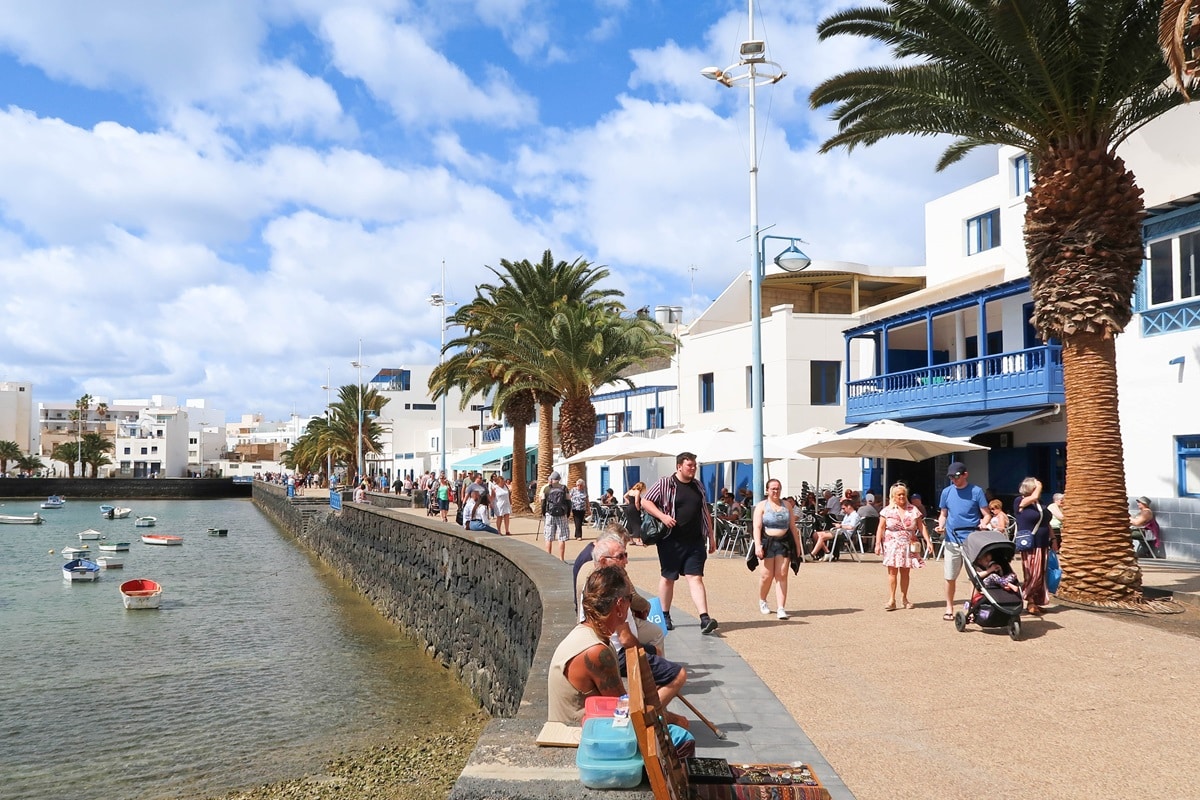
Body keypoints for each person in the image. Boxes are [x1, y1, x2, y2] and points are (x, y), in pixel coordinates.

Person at [640, 452, 719, 635]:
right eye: (689, 465)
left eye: (694, 465)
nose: (693, 469)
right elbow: (645, 501)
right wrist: (663, 516)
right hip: (671, 541)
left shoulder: (698, 486)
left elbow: (704, 511)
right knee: (668, 578)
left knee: (696, 577)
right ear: (679, 466)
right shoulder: (665, 483)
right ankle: (665, 614)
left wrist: (711, 536)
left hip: (694, 540)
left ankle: (704, 618)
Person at [935, 462, 991, 621]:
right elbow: (943, 514)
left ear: (965, 474)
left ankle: (974, 607)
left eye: (956, 476)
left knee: (975, 576)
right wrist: (940, 526)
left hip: (972, 540)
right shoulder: (946, 492)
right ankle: (949, 607)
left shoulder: (976, 491)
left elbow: (986, 514)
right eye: (951, 477)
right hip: (952, 539)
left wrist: (984, 523)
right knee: (950, 576)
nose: (954, 479)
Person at [875, 483, 931, 611]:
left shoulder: (913, 510)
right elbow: (881, 527)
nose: (901, 496)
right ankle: (891, 599)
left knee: (905, 573)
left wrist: (928, 541)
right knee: (892, 572)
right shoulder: (887, 511)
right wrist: (878, 543)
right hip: (891, 544)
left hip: (908, 544)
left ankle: (905, 598)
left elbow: (921, 526)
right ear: (893, 496)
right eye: (899, 494)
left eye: (903, 494)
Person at [752, 479, 802, 620]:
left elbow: (793, 526)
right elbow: (757, 527)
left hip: (784, 543)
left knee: (782, 574)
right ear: (767, 490)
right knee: (766, 575)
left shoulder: (787, 505)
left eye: (778, 488)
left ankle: (781, 608)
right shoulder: (762, 506)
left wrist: (797, 546)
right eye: (773, 488)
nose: (776, 491)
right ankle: (762, 600)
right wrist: (757, 545)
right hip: (767, 542)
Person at [1013, 476, 1054, 615]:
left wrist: (1053, 538)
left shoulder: (1040, 503)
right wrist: (1039, 486)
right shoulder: (1020, 501)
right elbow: (1032, 497)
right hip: (1030, 543)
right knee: (1033, 574)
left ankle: (1035, 601)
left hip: (1042, 542)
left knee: (1041, 574)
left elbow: (1046, 522)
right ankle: (1026, 596)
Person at [541, 471, 571, 561]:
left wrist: (544, 513)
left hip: (549, 514)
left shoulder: (546, 489)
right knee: (561, 537)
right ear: (559, 479)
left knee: (548, 537)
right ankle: (561, 558)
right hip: (562, 514)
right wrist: (568, 513)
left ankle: (548, 558)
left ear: (551, 479)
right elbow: (569, 502)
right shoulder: (564, 488)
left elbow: (543, 503)